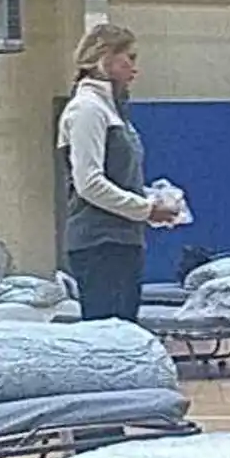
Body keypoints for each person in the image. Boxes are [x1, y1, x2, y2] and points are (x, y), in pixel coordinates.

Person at [58, 24, 180, 322]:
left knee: (124, 333)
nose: (135, 69)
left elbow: (116, 178)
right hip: (100, 244)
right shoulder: (87, 109)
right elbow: (89, 183)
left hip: (124, 240)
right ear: (106, 58)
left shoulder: (113, 111)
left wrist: (148, 201)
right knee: (107, 339)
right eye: (130, 58)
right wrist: (146, 209)